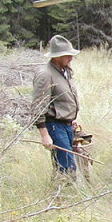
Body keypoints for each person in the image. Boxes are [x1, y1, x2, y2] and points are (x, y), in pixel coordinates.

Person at [31, 35, 81, 175]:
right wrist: (45, 135)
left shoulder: (65, 71)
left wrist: (71, 118)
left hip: (66, 125)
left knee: (65, 164)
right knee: (67, 166)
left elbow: (64, 99)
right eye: (67, 55)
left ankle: (61, 192)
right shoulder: (45, 74)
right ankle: (65, 193)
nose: (71, 58)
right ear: (57, 56)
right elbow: (38, 106)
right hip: (54, 126)